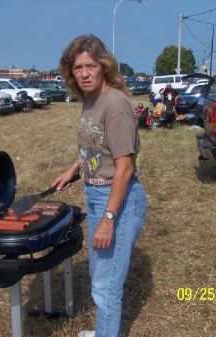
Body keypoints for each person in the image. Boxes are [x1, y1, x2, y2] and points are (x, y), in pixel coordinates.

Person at [52, 34, 148, 337]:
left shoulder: (115, 105)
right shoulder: (90, 100)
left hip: (116, 201)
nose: (84, 73)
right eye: (78, 67)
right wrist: (72, 171)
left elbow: (124, 168)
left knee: (106, 285)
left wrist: (108, 220)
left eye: (90, 66)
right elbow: (94, 148)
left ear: (103, 66)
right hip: (96, 196)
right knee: (98, 275)